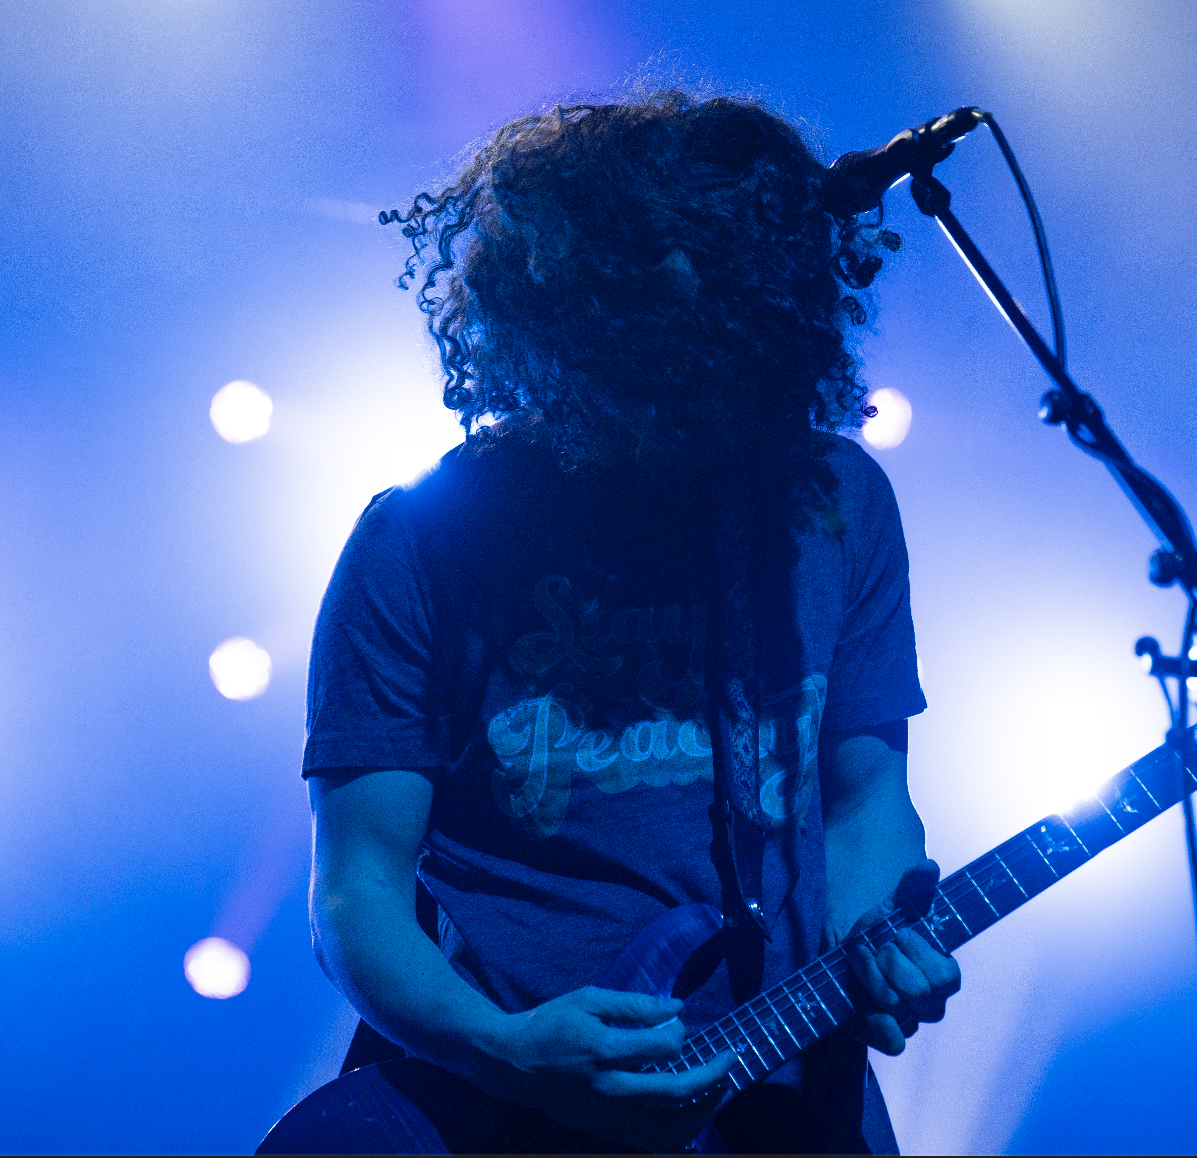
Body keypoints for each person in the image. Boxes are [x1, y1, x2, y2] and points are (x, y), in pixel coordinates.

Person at [302, 90, 961, 1154]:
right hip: (491, 1109)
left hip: (789, 1097)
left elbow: (868, 798)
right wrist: (503, 1048)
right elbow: (356, 891)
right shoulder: (425, 538)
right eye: (663, 351)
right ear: (575, 328)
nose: (695, 391)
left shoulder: (832, 504)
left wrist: (878, 929)